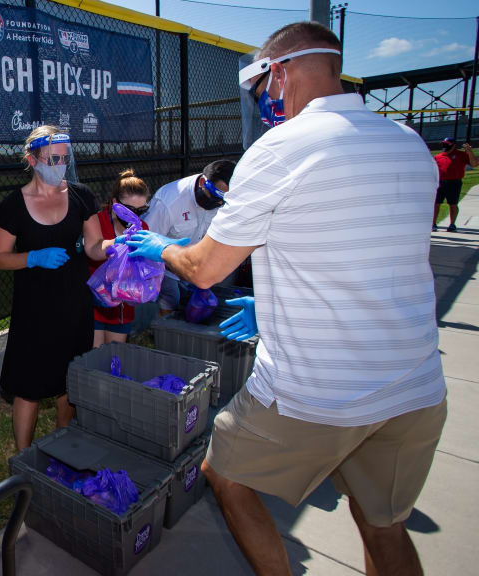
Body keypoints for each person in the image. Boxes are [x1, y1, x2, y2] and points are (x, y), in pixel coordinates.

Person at [120, 22, 446, 576]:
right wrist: (269, 306)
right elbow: (363, 247)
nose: (267, 103)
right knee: (383, 524)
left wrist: (161, 247)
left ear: (280, 71)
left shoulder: (282, 147)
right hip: (415, 383)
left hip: (320, 389)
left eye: (265, 89)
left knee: (225, 473)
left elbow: (203, 269)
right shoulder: (409, 142)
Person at [0, 125, 114, 452]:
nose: (59, 165)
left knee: (68, 381)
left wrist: (118, 246)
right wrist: (32, 257)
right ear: (32, 159)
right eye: (51, 159)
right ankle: (23, 458)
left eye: (63, 158)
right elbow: (0, 258)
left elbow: (93, 247)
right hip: (34, 309)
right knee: (28, 386)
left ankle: (64, 445)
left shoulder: (80, 196)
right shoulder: (13, 205)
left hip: (74, 304)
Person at [142, 159, 235, 316]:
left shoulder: (226, 202)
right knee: (171, 297)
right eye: (215, 195)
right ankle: (163, 329)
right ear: (203, 182)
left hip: (198, 263)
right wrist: (178, 267)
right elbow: (148, 240)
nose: (219, 202)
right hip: (165, 264)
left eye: (224, 199)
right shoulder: (169, 201)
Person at [87, 169, 152, 347]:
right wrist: (115, 243)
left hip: (122, 306)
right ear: (115, 203)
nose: (135, 216)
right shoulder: (98, 221)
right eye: (130, 210)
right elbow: (92, 251)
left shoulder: (142, 226)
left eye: (142, 210)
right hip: (95, 302)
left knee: (114, 357)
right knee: (95, 356)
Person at [432, 137, 477, 232]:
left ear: (453, 145)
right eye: (443, 144)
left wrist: (469, 151)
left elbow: (474, 164)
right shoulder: (438, 157)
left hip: (454, 182)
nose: (444, 146)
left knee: (453, 204)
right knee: (436, 203)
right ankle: (433, 224)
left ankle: (452, 224)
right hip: (440, 182)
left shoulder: (461, 155)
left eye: (447, 144)